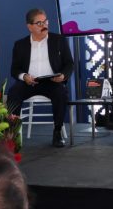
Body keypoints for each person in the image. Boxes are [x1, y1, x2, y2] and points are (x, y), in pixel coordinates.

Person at [7, 8, 74, 148]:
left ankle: (57, 132)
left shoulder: (58, 40)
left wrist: (62, 75)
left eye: (45, 21)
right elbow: (14, 69)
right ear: (29, 26)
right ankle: (12, 134)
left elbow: (69, 63)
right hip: (29, 82)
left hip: (52, 81)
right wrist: (24, 76)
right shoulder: (20, 45)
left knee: (60, 93)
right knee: (13, 92)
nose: (44, 25)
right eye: (39, 23)